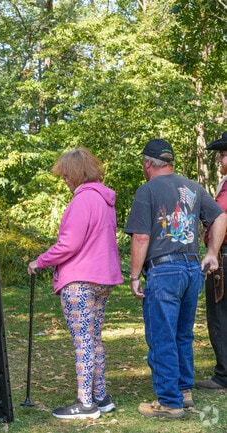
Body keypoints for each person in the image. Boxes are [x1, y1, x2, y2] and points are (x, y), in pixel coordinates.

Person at [124, 138, 227, 419]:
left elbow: (142, 236)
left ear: (148, 164)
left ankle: (169, 402)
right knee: (183, 333)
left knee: (162, 335)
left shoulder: (147, 191)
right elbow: (219, 217)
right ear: (169, 163)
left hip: (164, 270)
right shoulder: (193, 186)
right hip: (192, 268)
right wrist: (212, 253)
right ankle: (184, 391)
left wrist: (134, 276)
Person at [27, 147, 122, 420]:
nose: (65, 181)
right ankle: (102, 397)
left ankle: (85, 403)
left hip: (80, 279)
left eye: (67, 175)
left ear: (77, 173)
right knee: (94, 338)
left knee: (83, 341)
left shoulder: (83, 200)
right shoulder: (105, 200)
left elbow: (69, 244)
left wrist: (40, 261)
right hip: (103, 277)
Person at [197, 132, 227, 390]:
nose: (220, 160)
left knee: (219, 315)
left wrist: (212, 252)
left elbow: (222, 217)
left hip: (224, 256)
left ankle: (223, 375)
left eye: (224, 155)